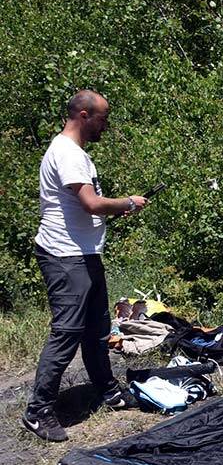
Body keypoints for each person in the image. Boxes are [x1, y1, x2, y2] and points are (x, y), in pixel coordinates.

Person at [22, 90, 147, 442]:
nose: (105, 125)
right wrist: (129, 203)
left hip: (84, 252)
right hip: (64, 255)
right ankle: (38, 410)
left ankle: (107, 390)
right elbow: (91, 204)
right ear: (82, 114)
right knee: (67, 332)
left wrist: (115, 208)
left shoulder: (74, 154)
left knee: (97, 328)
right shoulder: (67, 153)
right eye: (102, 119)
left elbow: (87, 205)